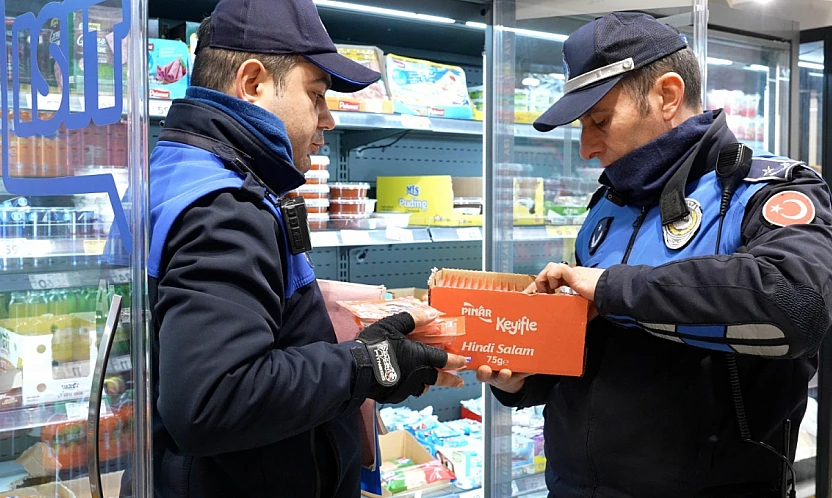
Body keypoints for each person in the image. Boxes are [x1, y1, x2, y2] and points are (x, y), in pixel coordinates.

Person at [478, 12, 832, 498]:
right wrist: (523, 379)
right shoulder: (608, 204)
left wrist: (609, 286)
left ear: (667, 95)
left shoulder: (759, 192)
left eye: (599, 121)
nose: (586, 148)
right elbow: (593, 353)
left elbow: (798, 304)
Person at [139, 0, 467, 496]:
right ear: (253, 84)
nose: (328, 119)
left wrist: (316, 306)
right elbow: (211, 400)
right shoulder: (228, 209)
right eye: (316, 95)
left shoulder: (178, 167)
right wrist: (366, 364)